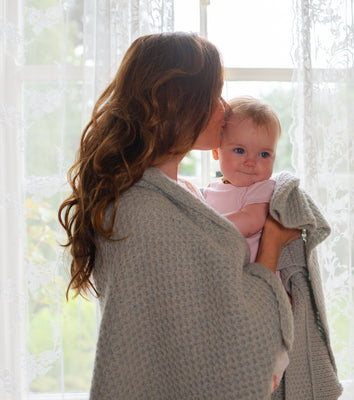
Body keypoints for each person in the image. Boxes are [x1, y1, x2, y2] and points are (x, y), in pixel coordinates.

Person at [58, 32, 300, 400]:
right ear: (182, 102)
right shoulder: (143, 212)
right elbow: (238, 329)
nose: (226, 109)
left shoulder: (180, 194)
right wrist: (273, 242)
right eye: (216, 94)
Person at [203, 97, 281, 264]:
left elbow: (252, 220)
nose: (251, 162)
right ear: (217, 152)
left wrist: (202, 227)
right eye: (240, 150)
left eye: (264, 154)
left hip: (252, 274)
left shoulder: (263, 187)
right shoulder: (211, 189)